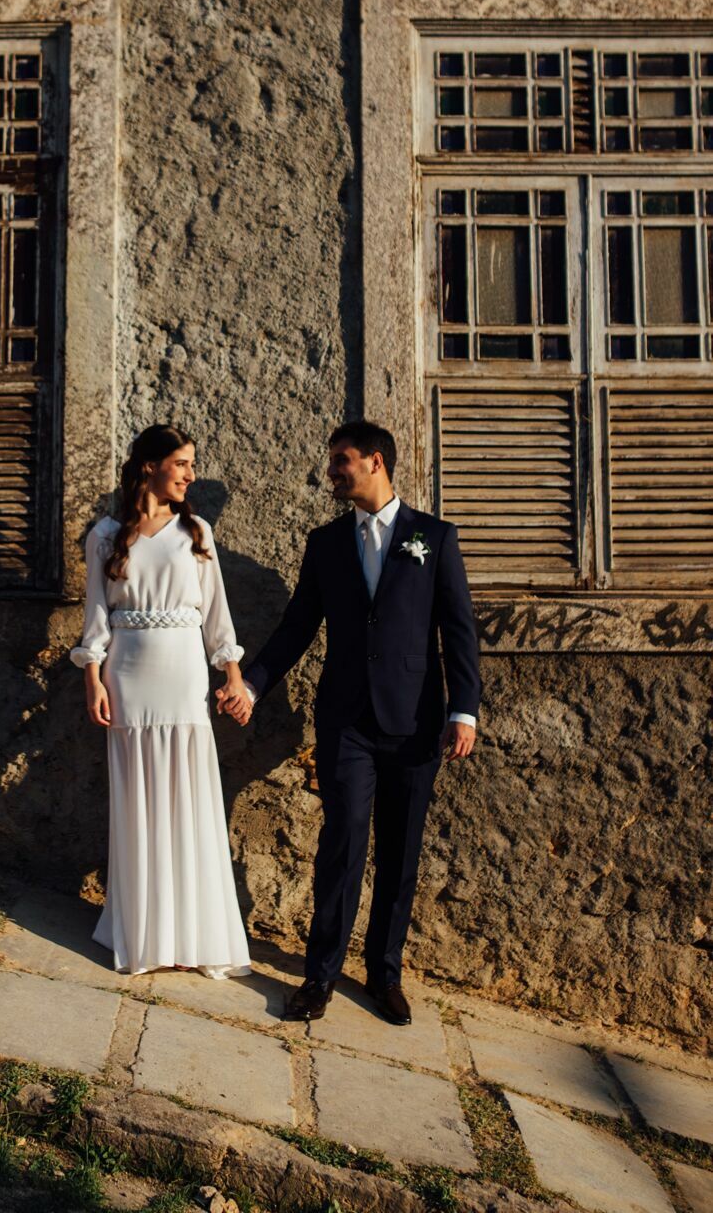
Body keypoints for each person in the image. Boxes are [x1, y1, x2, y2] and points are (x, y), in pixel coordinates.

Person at [226, 418, 480, 1025]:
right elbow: (296, 627)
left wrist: (463, 709)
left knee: (400, 852)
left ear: (374, 461)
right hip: (347, 723)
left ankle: (385, 975)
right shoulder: (326, 544)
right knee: (340, 845)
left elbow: (459, 631)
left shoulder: (434, 539)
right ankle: (320, 976)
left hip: (417, 723)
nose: (332, 470)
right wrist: (255, 684)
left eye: (341, 459)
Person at [71, 424, 254, 978]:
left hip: (183, 681)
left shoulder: (197, 531)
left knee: (188, 804)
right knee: (138, 807)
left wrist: (233, 676)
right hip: (128, 679)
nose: (190, 474)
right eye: (181, 462)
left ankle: (195, 935)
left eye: (191, 464)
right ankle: (144, 934)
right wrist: (93, 679)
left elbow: (216, 614)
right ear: (149, 465)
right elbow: (96, 618)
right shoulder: (105, 535)